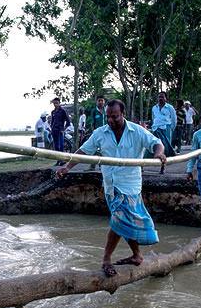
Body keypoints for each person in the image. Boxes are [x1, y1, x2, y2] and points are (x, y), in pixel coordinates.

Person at [55, 99, 166, 277]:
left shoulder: (136, 131)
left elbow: (156, 142)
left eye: (114, 117)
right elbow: (83, 152)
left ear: (123, 114)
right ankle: (137, 255)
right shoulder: (101, 133)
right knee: (123, 220)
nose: (111, 120)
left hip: (130, 185)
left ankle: (106, 259)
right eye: (108, 117)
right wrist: (67, 167)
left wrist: (159, 153)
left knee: (119, 220)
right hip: (111, 186)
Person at [147, 91, 177, 174]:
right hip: (156, 128)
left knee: (165, 147)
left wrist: (171, 129)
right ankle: (144, 164)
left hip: (165, 128)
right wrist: (154, 126)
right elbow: (154, 118)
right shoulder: (154, 108)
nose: (160, 99)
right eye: (159, 97)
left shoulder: (170, 108)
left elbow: (174, 119)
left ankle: (163, 166)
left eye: (162, 97)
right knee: (151, 145)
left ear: (166, 98)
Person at [50, 97, 71, 165]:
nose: (55, 104)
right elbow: (52, 121)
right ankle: (58, 160)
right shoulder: (53, 112)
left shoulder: (63, 111)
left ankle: (62, 160)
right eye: (54, 103)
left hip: (60, 131)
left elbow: (68, 121)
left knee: (61, 146)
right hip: (54, 130)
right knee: (56, 146)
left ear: (59, 103)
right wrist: (51, 129)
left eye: (57, 103)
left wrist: (64, 129)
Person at [88, 95, 107, 170]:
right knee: (95, 149)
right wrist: (94, 132)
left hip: (106, 132)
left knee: (104, 149)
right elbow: (92, 122)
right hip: (97, 133)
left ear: (104, 101)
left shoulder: (106, 110)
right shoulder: (94, 111)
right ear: (96, 102)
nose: (100, 102)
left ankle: (102, 165)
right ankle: (92, 166)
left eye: (102, 100)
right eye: (99, 100)